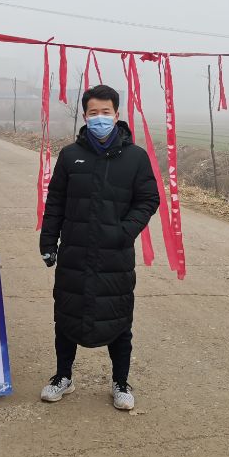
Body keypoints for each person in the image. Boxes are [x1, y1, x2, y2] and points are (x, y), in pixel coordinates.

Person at [39, 84, 160, 411]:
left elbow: (149, 199)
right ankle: (63, 377)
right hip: (75, 252)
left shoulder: (135, 158)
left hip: (114, 256)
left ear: (117, 115)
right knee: (66, 315)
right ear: (85, 116)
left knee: (119, 319)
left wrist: (125, 231)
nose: (100, 118)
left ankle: (120, 382)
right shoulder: (70, 156)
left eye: (106, 112)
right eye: (94, 113)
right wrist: (48, 241)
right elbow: (56, 202)